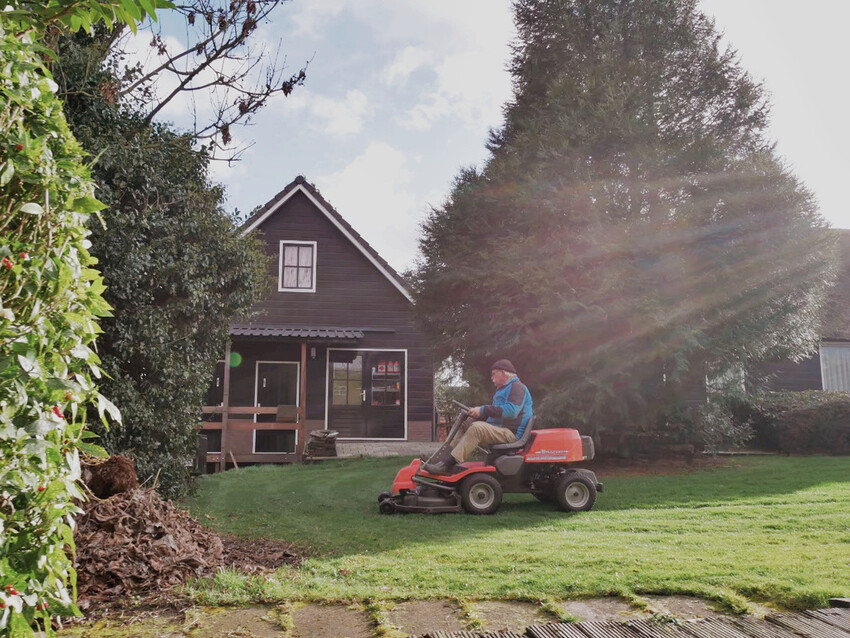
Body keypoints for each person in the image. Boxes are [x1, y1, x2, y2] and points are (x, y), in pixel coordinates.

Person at [423, 359, 533, 475]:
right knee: (466, 422)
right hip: (501, 429)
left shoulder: (517, 387)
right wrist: (478, 413)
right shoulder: (504, 389)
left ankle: (446, 466)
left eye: (494, 374)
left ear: (503, 373)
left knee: (477, 428)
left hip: (512, 434)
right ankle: (441, 460)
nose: (492, 378)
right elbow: (497, 413)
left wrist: (482, 410)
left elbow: (511, 411)